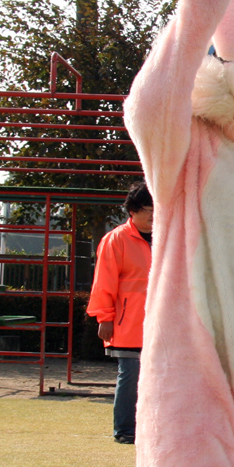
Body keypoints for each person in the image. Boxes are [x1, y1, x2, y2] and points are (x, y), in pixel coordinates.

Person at [86, 181, 154, 444]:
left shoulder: (167, 236)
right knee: (131, 375)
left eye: (155, 209)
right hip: (128, 323)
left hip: (161, 323)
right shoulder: (115, 239)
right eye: (146, 209)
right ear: (132, 210)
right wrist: (104, 317)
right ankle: (125, 430)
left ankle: (150, 429)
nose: (152, 216)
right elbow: (104, 281)